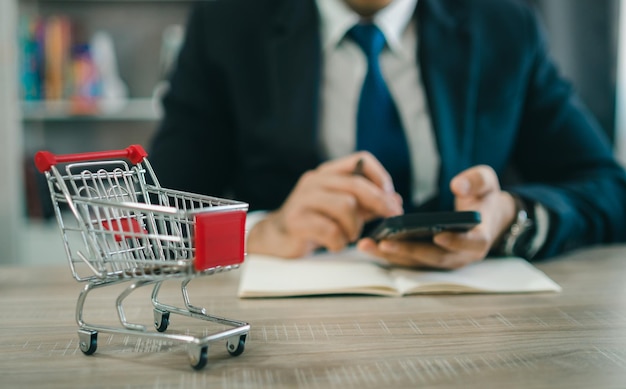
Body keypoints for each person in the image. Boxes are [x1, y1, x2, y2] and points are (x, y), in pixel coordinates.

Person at [149, 0, 626, 269]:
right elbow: (150, 217)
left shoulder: (504, 25)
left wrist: (509, 216)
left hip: (473, 326)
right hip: (283, 332)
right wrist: (261, 231)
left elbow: (608, 189)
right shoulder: (227, 22)